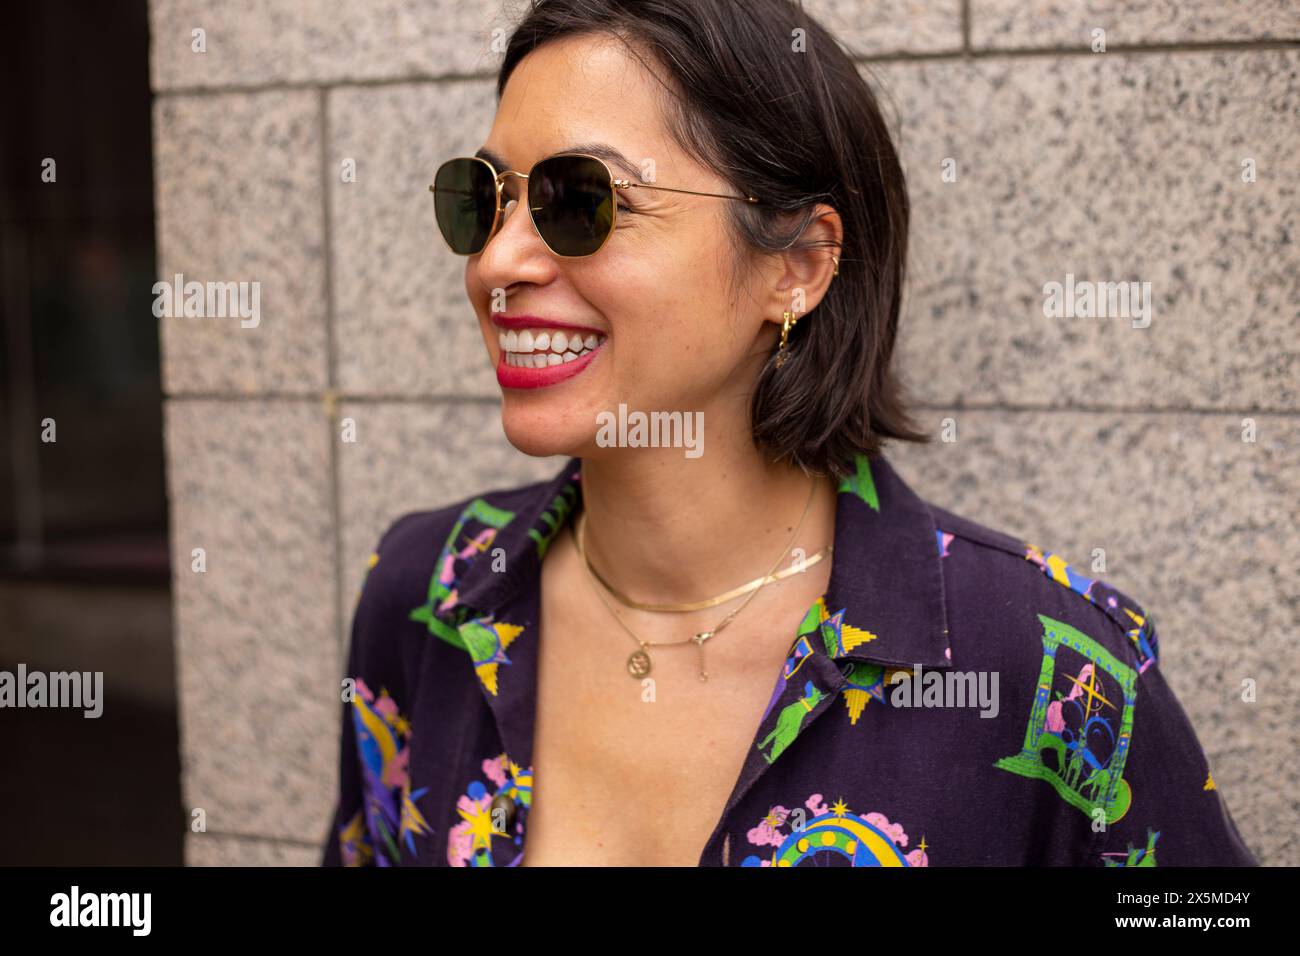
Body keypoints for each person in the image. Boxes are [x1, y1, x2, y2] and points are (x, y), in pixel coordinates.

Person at [321, 0, 1257, 867]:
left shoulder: (1051, 664)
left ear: (799, 265)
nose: (498, 261)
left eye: (580, 201)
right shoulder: (428, 594)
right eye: (483, 199)